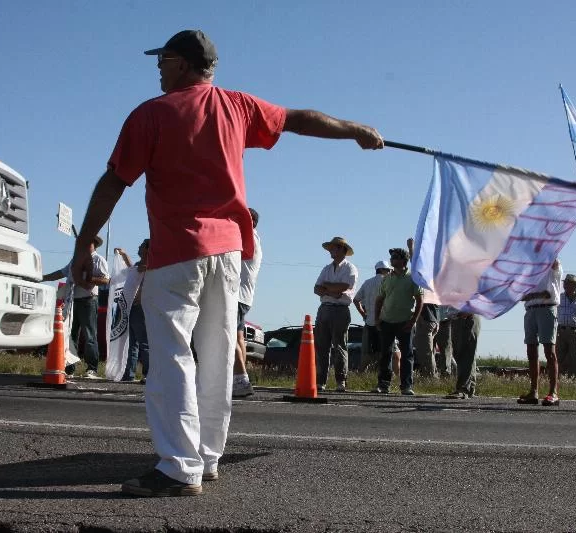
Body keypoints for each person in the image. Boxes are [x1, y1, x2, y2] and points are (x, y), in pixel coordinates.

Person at [67, 29, 383, 498]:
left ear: (184, 64)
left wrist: (83, 245)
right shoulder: (235, 106)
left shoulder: (151, 114)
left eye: (164, 59)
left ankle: (178, 467)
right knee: (216, 355)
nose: (157, 67)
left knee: (171, 357)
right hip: (230, 251)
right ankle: (207, 457)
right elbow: (299, 119)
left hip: (178, 251)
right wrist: (354, 129)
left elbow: (115, 182)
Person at [43, 235, 109, 379]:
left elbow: (105, 279)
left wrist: (87, 278)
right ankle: (69, 367)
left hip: (88, 300)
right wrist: (43, 277)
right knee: (71, 335)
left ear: (93, 244)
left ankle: (92, 368)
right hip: (73, 300)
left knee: (89, 335)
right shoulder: (76, 260)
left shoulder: (98, 259)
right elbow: (62, 272)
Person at [373, 247, 423, 395]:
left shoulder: (412, 277)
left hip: (405, 322)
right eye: (392, 257)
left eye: (395, 257)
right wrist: (377, 319)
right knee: (385, 354)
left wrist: (413, 320)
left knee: (407, 355)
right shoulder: (386, 278)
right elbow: (379, 300)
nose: (392, 260)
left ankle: (406, 386)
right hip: (386, 321)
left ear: (403, 260)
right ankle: (383, 384)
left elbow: (420, 300)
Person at [314, 236, 359, 392]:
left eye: (334, 248)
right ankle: (321, 381)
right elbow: (316, 288)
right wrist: (332, 290)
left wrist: (328, 288)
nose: (331, 251)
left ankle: (341, 381)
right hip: (324, 308)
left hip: (340, 310)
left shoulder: (350, 268)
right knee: (322, 346)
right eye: (331, 248)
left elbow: (344, 287)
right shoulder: (326, 268)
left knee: (339, 345)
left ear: (342, 249)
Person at [517, 258, 562, 406]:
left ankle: (553, 392)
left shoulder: (552, 264)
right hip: (530, 310)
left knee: (549, 350)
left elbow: (547, 294)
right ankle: (533, 391)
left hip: (547, 309)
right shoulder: (528, 269)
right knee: (531, 349)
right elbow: (521, 295)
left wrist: (533, 295)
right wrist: (534, 295)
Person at [232, 208, 262, 398]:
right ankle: (240, 378)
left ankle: (240, 380)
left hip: (236, 295)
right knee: (239, 338)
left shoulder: (247, 236)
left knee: (231, 339)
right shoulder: (255, 237)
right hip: (244, 296)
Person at [115, 240, 150, 382]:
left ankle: (149, 374)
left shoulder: (151, 266)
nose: (139, 247)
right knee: (133, 343)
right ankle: (129, 373)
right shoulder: (138, 265)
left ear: (148, 249)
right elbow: (132, 268)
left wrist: (140, 297)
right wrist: (124, 255)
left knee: (143, 342)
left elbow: (146, 283)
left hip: (141, 307)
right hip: (131, 307)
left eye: (142, 245)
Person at [408, 237, 439, 378]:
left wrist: (411, 248)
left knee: (425, 351)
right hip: (433, 318)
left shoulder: (428, 279)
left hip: (426, 317)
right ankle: (433, 374)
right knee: (429, 350)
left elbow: (416, 267)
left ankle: (430, 376)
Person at [354, 260, 391, 370]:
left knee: (369, 352)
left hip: (369, 322)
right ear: (384, 270)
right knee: (389, 351)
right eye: (388, 270)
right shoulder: (388, 282)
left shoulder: (367, 283)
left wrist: (363, 314)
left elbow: (356, 300)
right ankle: (389, 375)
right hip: (385, 322)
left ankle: (361, 372)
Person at [555, 274, 576, 377]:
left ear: (574, 285)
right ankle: (559, 378)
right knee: (559, 356)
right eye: (565, 283)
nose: (565, 285)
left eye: (568, 283)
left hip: (575, 331)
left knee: (575, 357)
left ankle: (574, 379)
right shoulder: (559, 297)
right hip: (561, 330)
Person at [444, 311, 481, 399]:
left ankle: (463, 388)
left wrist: (469, 310)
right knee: (460, 353)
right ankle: (469, 388)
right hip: (458, 316)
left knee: (466, 352)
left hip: (466, 315)